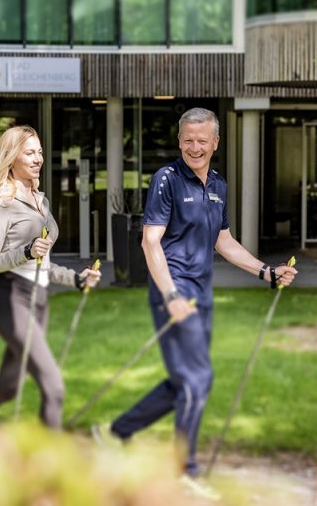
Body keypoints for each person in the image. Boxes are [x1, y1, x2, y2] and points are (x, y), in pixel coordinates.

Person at [93, 108, 297, 482]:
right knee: (197, 378)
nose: (195, 147)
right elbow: (149, 240)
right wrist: (170, 294)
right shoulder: (166, 179)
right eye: (188, 139)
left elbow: (224, 242)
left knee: (189, 378)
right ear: (179, 141)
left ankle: (116, 432)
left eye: (202, 140)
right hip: (174, 290)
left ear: (216, 143)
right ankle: (184, 472)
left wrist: (266, 272)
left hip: (201, 293)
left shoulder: (218, 185)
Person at [0, 125, 101, 429]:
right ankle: (51, 471)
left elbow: (42, 262)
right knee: (54, 387)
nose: (38, 158)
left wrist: (77, 279)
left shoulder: (40, 200)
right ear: (12, 158)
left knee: (8, 387)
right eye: (29, 153)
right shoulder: (3, 203)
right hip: (12, 299)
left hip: (39, 299)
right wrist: (25, 251)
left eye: (39, 152)